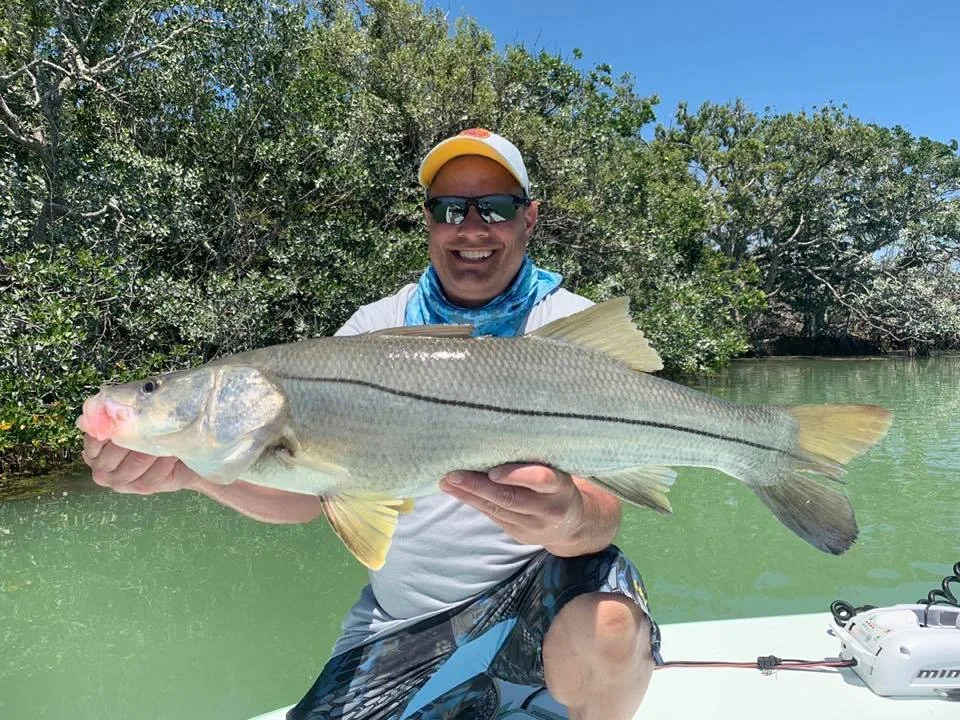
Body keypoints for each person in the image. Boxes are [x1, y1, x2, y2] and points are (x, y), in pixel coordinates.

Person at [81, 128, 660, 720]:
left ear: (529, 218)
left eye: (497, 207)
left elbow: (601, 520)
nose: (472, 226)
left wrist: (565, 516)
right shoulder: (369, 330)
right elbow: (309, 499)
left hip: (545, 587)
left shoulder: (572, 331)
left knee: (609, 627)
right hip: (410, 620)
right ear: (430, 221)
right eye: (450, 208)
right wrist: (191, 473)